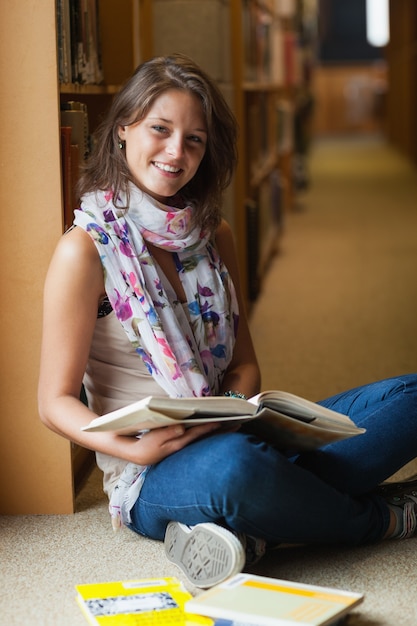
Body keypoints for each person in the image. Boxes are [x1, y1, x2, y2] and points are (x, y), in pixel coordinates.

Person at [39, 53, 417, 589]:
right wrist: (133, 448)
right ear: (123, 129)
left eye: (194, 139)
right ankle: (379, 518)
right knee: (237, 472)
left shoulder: (215, 235)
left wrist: (237, 411)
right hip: (151, 470)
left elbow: (244, 367)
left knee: (409, 399)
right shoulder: (85, 251)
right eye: (160, 129)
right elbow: (53, 403)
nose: (176, 152)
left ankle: (252, 529)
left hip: (236, 428)